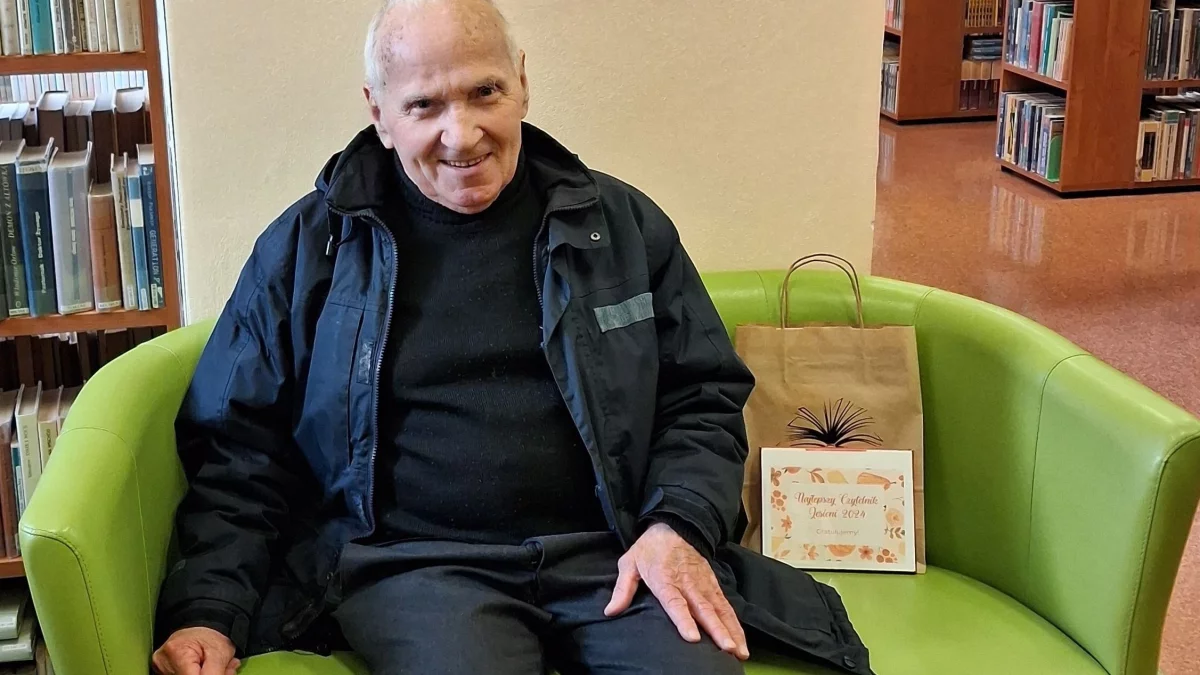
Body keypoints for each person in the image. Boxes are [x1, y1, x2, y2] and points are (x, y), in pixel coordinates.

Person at [151, 1, 871, 674]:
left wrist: (676, 526)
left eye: (484, 92)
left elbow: (702, 397)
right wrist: (210, 610)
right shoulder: (313, 247)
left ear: (522, 83)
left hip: (614, 551)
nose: (461, 134)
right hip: (414, 566)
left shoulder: (620, 227)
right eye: (424, 105)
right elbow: (239, 448)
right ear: (378, 113)